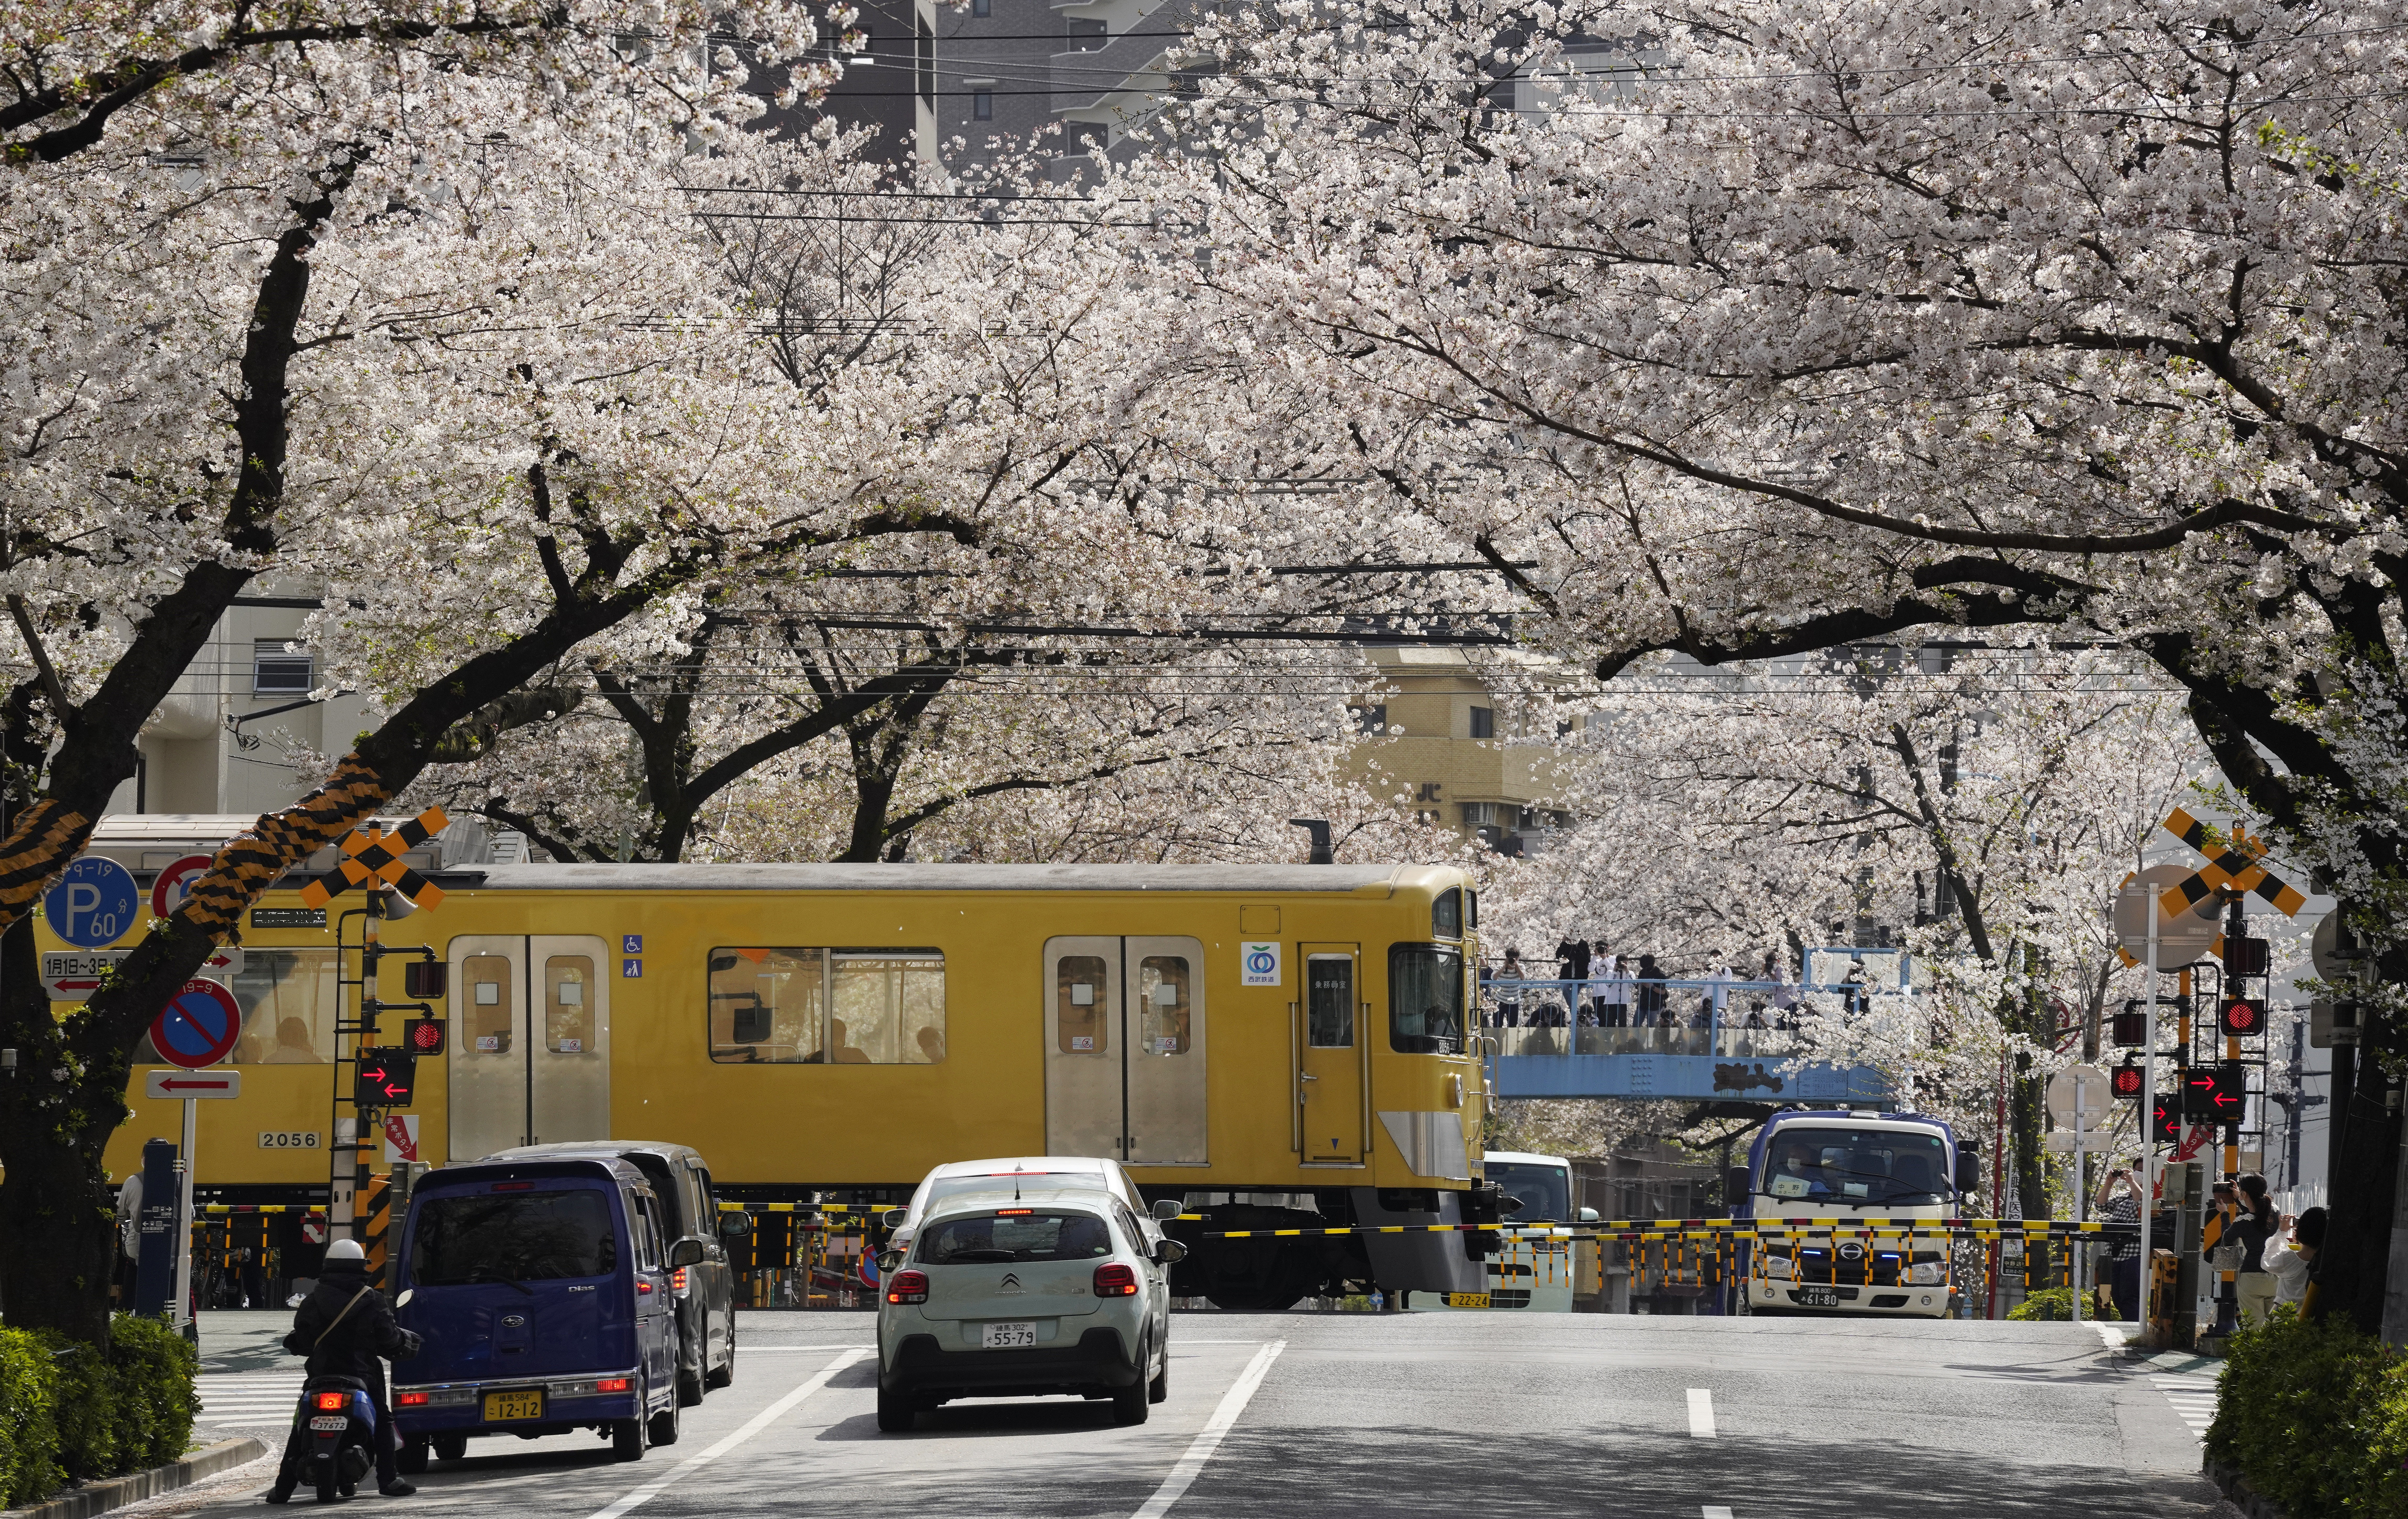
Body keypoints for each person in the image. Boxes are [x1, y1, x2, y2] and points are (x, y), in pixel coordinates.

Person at [268, 1238, 420, 1502]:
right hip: (362, 1377)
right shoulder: (371, 1300)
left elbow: (303, 1342)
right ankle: (389, 1479)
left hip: (319, 1378)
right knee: (384, 1420)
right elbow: (389, 1339)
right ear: (361, 1267)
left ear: (328, 1267)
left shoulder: (313, 1301)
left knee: (299, 1426)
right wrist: (400, 1344)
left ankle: (283, 1489)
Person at [2094, 1165, 2143, 1323]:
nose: (2137, 1173)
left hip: (2134, 1254)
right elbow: (2101, 1206)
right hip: (2114, 1255)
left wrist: (2132, 1182)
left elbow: (2142, 1202)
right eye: (2136, 1169)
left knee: (2131, 1295)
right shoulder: (2122, 1198)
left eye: (2142, 1170)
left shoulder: (2153, 1196)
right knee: (2117, 1296)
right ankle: (2130, 1325)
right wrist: (2109, 1184)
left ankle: (2136, 1328)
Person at [2232, 1173, 2276, 1327]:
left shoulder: (2242, 1223)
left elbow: (2227, 1237)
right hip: (2275, 1276)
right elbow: (2257, 1215)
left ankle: (2254, 1352)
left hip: (2251, 1277)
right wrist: (2240, 1198)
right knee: (2275, 1325)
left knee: (2253, 1326)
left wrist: (2225, 1213)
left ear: (2245, 1194)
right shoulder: (2275, 1214)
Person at [2263, 1206, 2322, 1307]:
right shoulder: (2326, 1261)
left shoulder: (2289, 1259)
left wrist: (2281, 1232)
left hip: (2286, 1316)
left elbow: (2267, 1262)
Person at [1554, 937, 1591, 1026]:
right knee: (1564, 987)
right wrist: (1564, 943)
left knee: (1574, 995)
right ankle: (1577, 1014)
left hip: (1580, 977)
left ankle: (1575, 1015)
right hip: (1567, 976)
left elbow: (1585, 959)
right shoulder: (1566, 945)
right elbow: (1559, 957)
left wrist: (1576, 948)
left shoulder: (1584, 944)